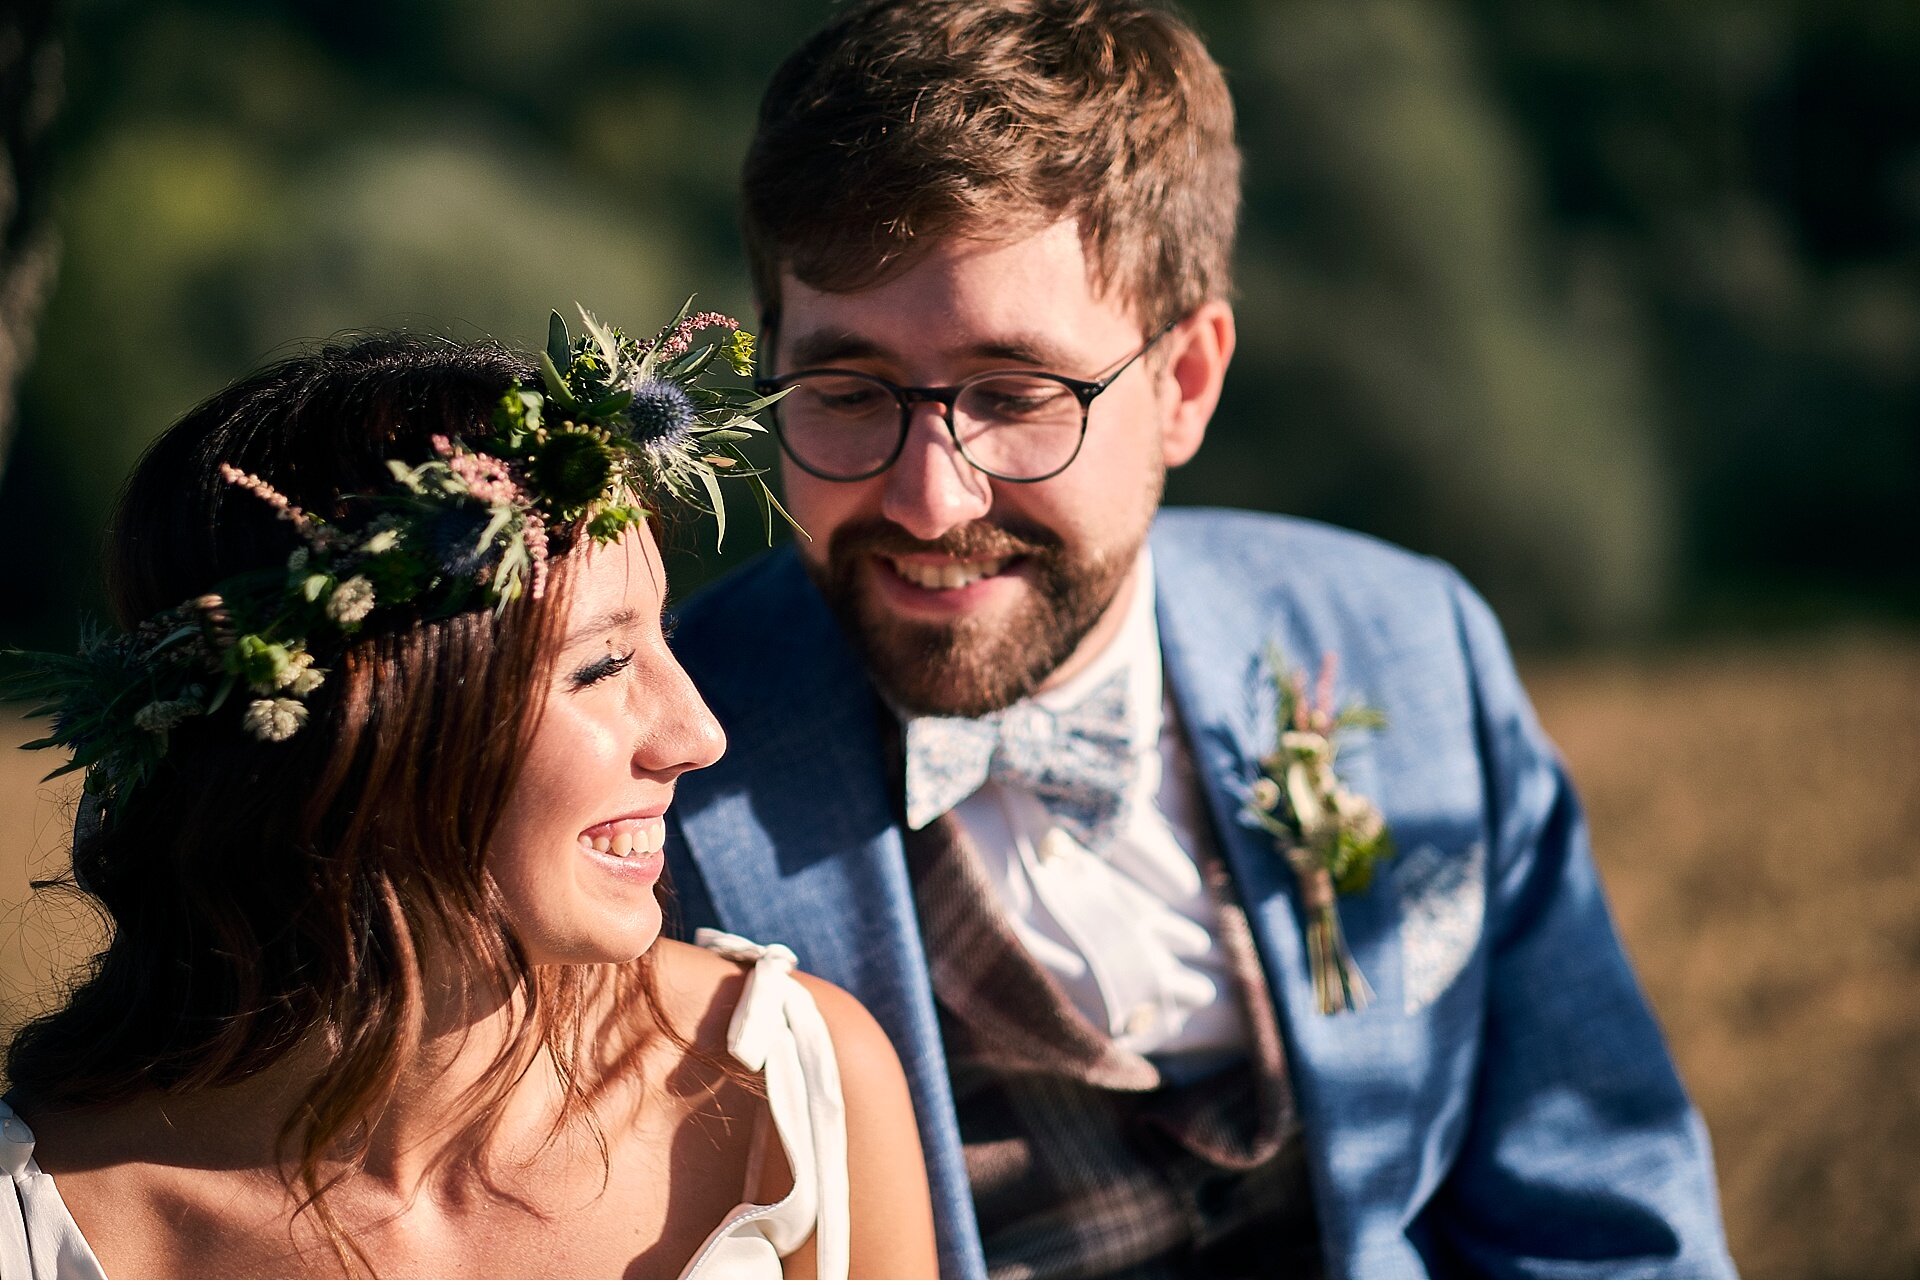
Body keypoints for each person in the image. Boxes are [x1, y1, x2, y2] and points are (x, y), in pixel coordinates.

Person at [661, 0, 1737, 1277]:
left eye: (1013, 396)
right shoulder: (653, 776)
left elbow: (1604, 1214)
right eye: (844, 395)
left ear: (1186, 381)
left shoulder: (1412, 646)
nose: (930, 499)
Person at [0, 318, 938, 1278]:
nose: (699, 736)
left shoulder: (792, 1089)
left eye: (664, 639)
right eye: (603, 663)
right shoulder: (38, 1219)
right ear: (366, 731)